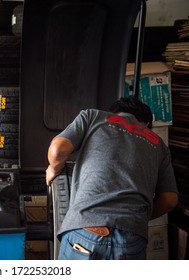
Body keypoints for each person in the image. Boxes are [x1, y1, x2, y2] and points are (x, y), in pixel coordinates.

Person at [45, 96, 178, 260]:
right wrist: (135, 219)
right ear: (148, 124)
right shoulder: (159, 144)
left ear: (114, 113)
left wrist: (53, 168)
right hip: (131, 239)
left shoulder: (94, 117)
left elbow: (58, 150)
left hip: (85, 230)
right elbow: (170, 199)